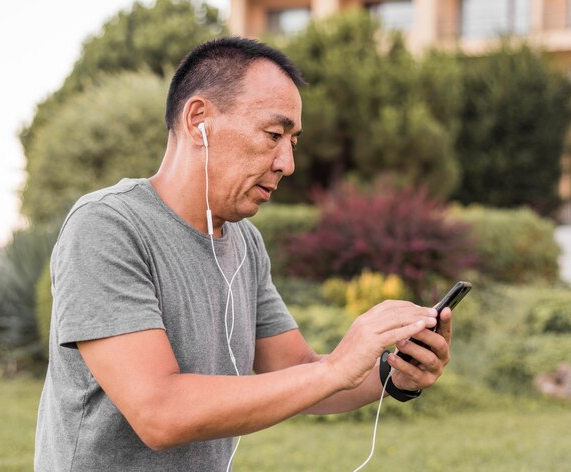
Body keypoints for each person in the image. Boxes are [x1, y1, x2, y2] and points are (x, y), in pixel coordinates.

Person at [34, 37, 452, 471]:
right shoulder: (108, 226)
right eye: (273, 134)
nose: (287, 162)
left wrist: (392, 375)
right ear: (199, 120)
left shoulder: (245, 243)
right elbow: (158, 412)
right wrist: (334, 369)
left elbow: (296, 369)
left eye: (293, 140)